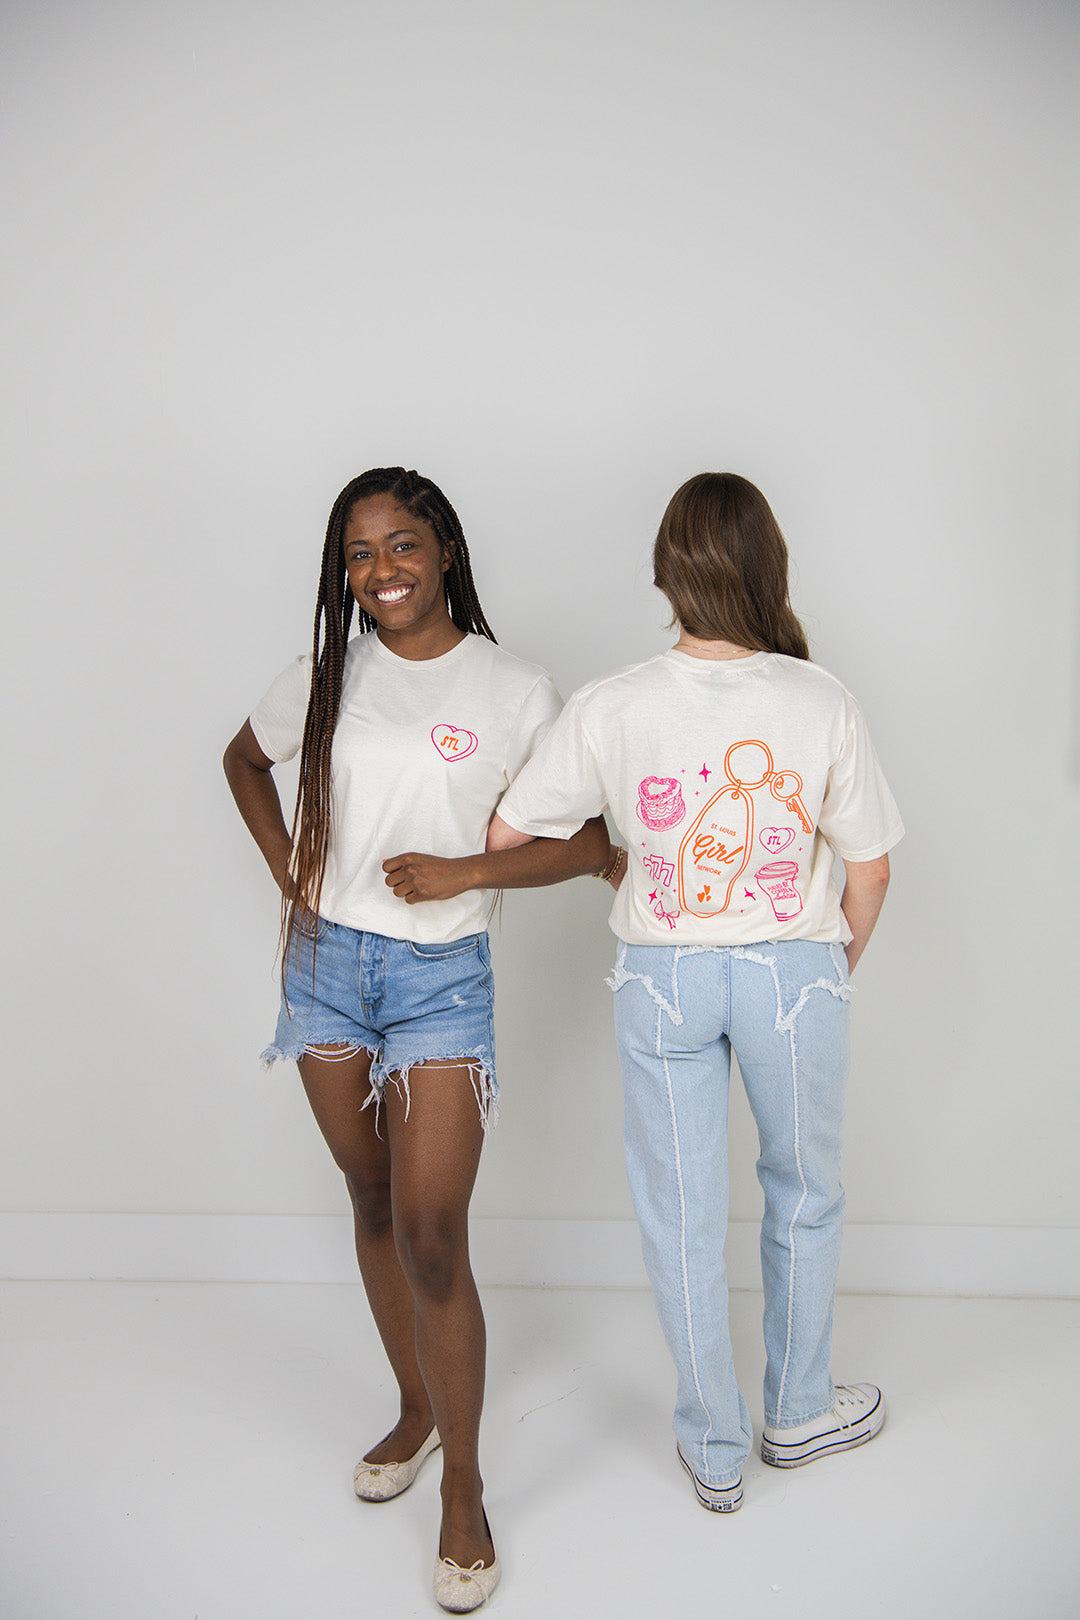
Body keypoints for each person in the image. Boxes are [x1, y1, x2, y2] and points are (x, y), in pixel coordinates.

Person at [393, 472, 903, 1511]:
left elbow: (507, 834)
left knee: (679, 1214)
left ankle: (715, 1449)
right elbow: (871, 868)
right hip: (790, 973)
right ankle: (798, 1413)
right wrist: (821, 968)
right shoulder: (821, 698)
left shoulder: (613, 705)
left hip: (662, 980)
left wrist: (619, 861)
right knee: (804, 1194)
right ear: (769, 567)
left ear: (667, 573)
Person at [223, 467, 609, 1612]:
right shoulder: (329, 673)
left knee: (435, 1233)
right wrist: (289, 863)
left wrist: (467, 872)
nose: (381, 571)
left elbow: (591, 843)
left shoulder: (516, 688)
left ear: (444, 549)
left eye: (401, 546)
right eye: (359, 554)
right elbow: (243, 762)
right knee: (375, 1200)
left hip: (441, 977)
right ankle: (415, 1408)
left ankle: (468, 1490)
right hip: (326, 972)